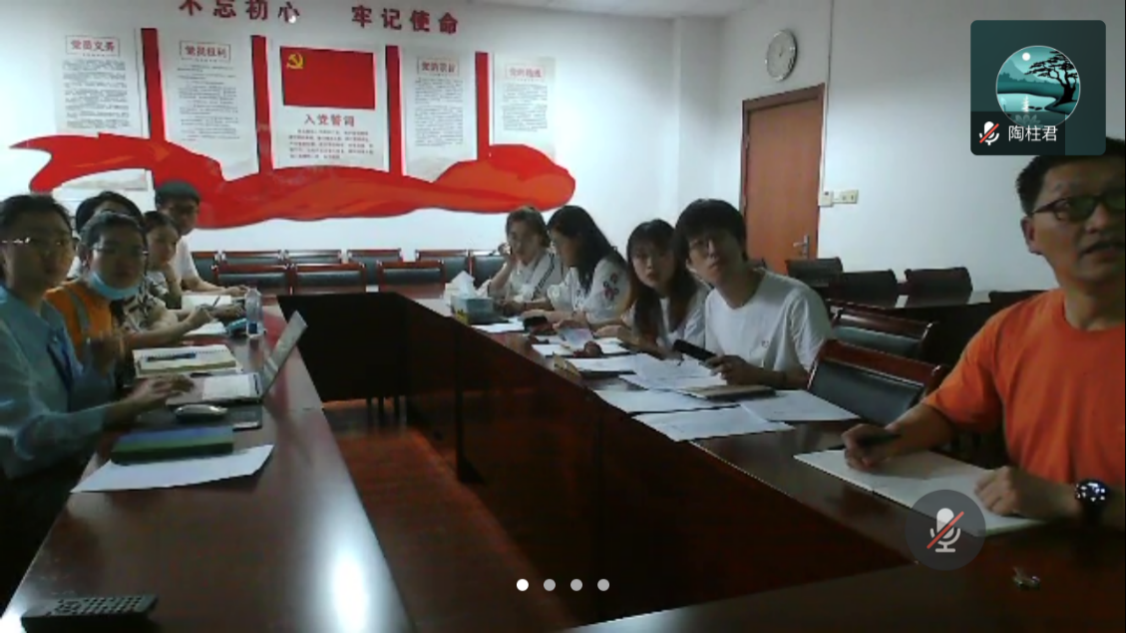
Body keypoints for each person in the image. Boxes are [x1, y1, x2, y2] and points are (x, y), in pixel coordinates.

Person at [842, 139, 1124, 531]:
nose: (1104, 221)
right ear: (1031, 235)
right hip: (1032, 548)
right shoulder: (1011, 328)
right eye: (1072, 205)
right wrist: (894, 436)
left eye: (1120, 199)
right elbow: (947, 411)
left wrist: (1070, 499)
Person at [1, 195, 189, 603]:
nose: (54, 253)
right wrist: (127, 406)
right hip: (25, 493)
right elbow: (30, 435)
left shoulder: (46, 316)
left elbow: (76, 406)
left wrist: (98, 369)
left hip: (69, 463)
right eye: (35, 241)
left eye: (61, 241)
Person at [675, 199, 832, 388]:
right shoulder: (712, 302)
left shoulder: (797, 300)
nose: (713, 250)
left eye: (719, 238)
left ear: (741, 242)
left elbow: (828, 383)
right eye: (700, 244)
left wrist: (759, 376)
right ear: (689, 264)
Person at [596, 220, 709, 355]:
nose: (651, 264)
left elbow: (690, 360)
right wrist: (585, 326)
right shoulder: (647, 295)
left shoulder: (697, 298)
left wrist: (635, 340)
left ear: (677, 255)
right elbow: (625, 322)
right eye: (642, 256)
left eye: (661, 254)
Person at [118, 212, 215, 349]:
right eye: (160, 241)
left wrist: (170, 277)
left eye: (173, 244)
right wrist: (188, 324)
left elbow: (169, 308)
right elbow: (129, 341)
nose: (168, 249)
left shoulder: (141, 279)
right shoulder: (118, 285)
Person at [524, 205, 630, 327]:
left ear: (579, 238)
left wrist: (547, 315)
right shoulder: (578, 269)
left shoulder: (608, 267)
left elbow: (595, 318)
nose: (557, 252)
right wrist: (524, 306)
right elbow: (556, 299)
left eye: (559, 243)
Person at [154, 180, 246, 296]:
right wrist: (224, 293)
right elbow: (166, 297)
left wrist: (227, 291)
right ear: (158, 209)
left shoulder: (181, 243)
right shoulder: (147, 245)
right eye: (177, 210)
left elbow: (195, 283)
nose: (184, 218)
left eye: (190, 211)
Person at [479, 207, 564, 315]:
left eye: (526, 238)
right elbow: (490, 293)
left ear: (540, 237)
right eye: (514, 237)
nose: (519, 245)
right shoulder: (514, 263)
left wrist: (515, 304)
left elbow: (533, 296)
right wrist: (509, 266)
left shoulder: (556, 264)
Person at [67, 191, 144, 279]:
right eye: (110, 250)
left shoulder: (148, 284)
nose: (119, 224)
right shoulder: (61, 283)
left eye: (128, 219)